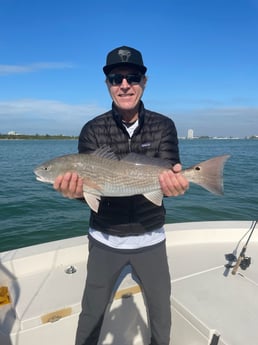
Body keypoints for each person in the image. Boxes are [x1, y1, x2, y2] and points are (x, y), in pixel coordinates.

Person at [54, 46, 189, 345]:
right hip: (105, 238)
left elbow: (168, 175)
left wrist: (176, 185)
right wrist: (73, 193)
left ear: (144, 81)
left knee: (160, 314)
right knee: (91, 314)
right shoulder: (92, 130)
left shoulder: (164, 125)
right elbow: (90, 187)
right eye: (116, 78)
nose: (124, 85)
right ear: (108, 84)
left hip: (151, 236)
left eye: (133, 77)